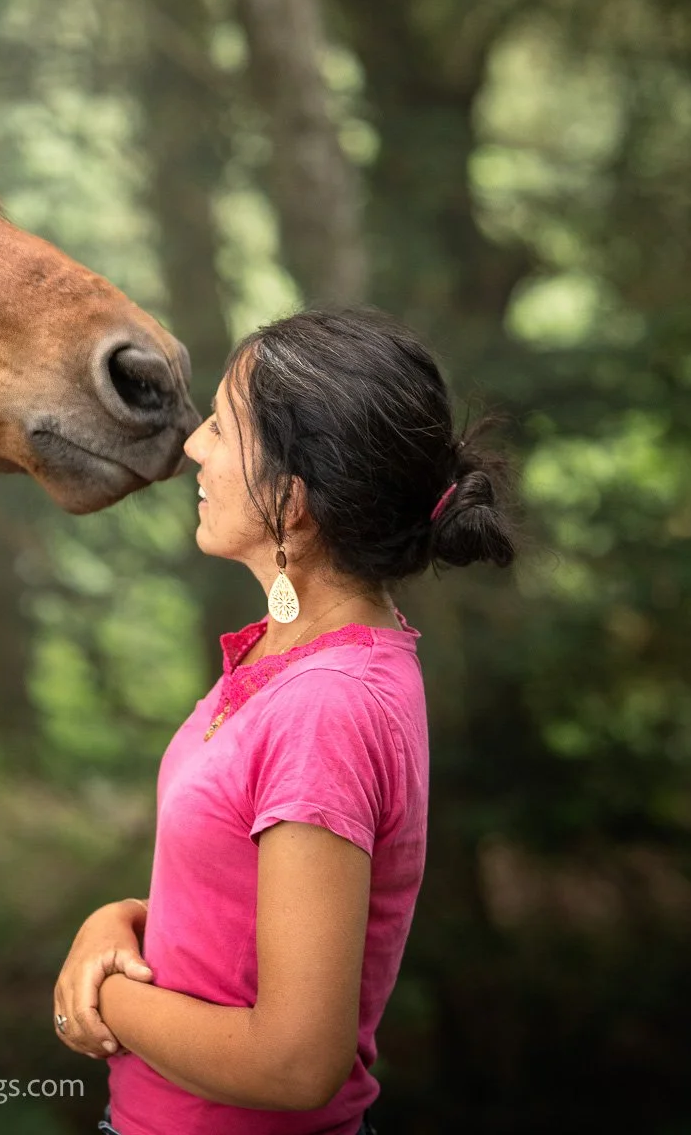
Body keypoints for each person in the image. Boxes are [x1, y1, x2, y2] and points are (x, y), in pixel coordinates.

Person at [52, 309, 517, 1135]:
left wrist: (110, 1000)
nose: (193, 446)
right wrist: (116, 924)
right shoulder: (290, 663)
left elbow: (296, 1063)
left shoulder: (325, 706)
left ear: (292, 502)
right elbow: (234, 913)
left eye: (225, 430)